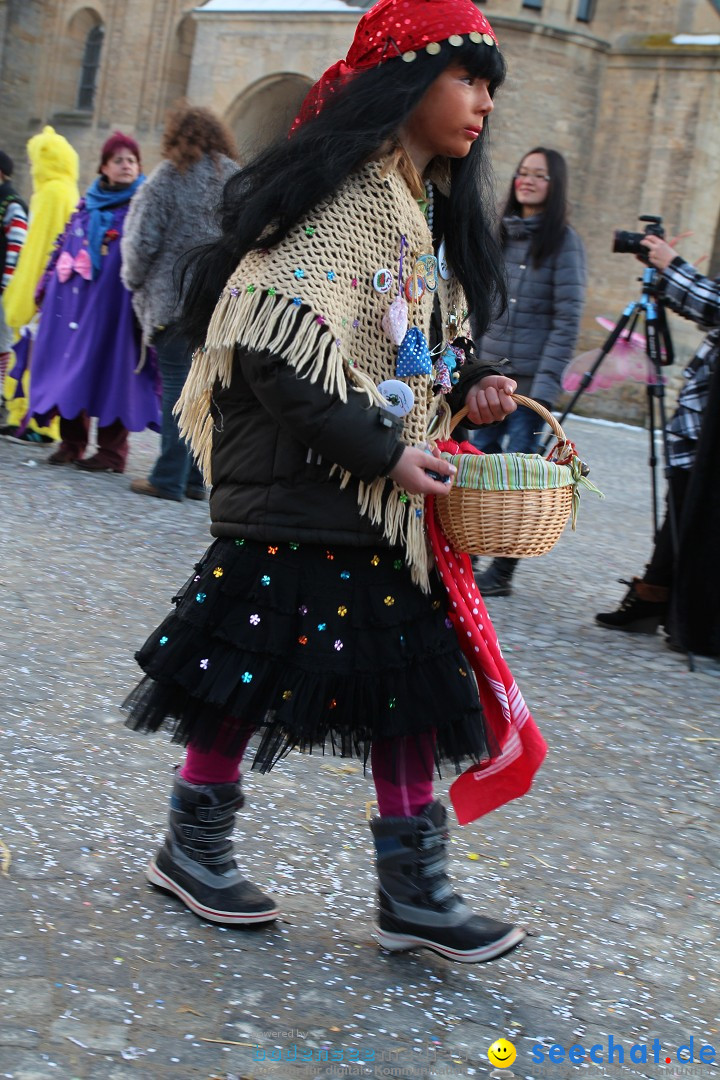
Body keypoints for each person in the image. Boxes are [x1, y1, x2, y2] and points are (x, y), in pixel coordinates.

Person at [123, 0, 543, 965]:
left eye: (491, 87)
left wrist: (472, 382)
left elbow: (416, 341)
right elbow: (277, 345)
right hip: (305, 491)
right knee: (241, 677)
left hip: (372, 498)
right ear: (407, 78)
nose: (484, 104)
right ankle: (195, 847)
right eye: (469, 79)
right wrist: (384, 450)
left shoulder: (417, 203)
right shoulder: (344, 197)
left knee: (405, 687)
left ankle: (414, 890)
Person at [470, 147, 587, 596]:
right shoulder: (498, 234)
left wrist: (548, 387)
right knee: (477, 467)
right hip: (487, 377)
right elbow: (478, 304)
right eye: (523, 172)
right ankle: (469, 553)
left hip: (530, 385)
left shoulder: (564, 243)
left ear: (554, 186)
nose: (528, 180)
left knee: (520, 477)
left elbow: (566, 318)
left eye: (539, 175)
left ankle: (501, 571)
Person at [596, 233, 719, 647]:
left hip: (708, 421)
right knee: (682, 500)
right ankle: (654, 593)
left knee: (691, 504)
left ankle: (681, 611)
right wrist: (665, 275)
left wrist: (674, 265)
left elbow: (715, 305)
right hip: (701, 417)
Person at [121, 105, 239, 502]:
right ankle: (191, 478)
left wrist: (132, 280)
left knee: (175, 386)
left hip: (170, 302)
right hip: (218, 305)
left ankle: (168, 477)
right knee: (203, 391)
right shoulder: (235, 179)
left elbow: (142, 241)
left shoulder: (169, 176)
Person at [25, 133, 161, 472]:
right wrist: (44, 286)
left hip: (118, 307)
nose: (126, 165)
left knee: (116, 371)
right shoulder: (88, 205)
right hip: (76, 305)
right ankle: (72, 443)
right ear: (104, 167)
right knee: (71, 370)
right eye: (119, 160)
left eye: (131, 159)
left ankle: (112, 453)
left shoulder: (143, 204)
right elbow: (63, 244)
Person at [1, 126, 79, 443]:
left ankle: (34, 423)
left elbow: (39, 248)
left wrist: (24, 291)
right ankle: (30, 420)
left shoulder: (51, 194)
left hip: (42, 291)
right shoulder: (64, 190)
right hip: (55, 289)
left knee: (32, 354)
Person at [0, 150, 28, 411]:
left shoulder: (10, 202)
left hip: (3, 286)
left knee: (2, 341)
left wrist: (7, 283)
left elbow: (17, 244)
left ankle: (1, 393)